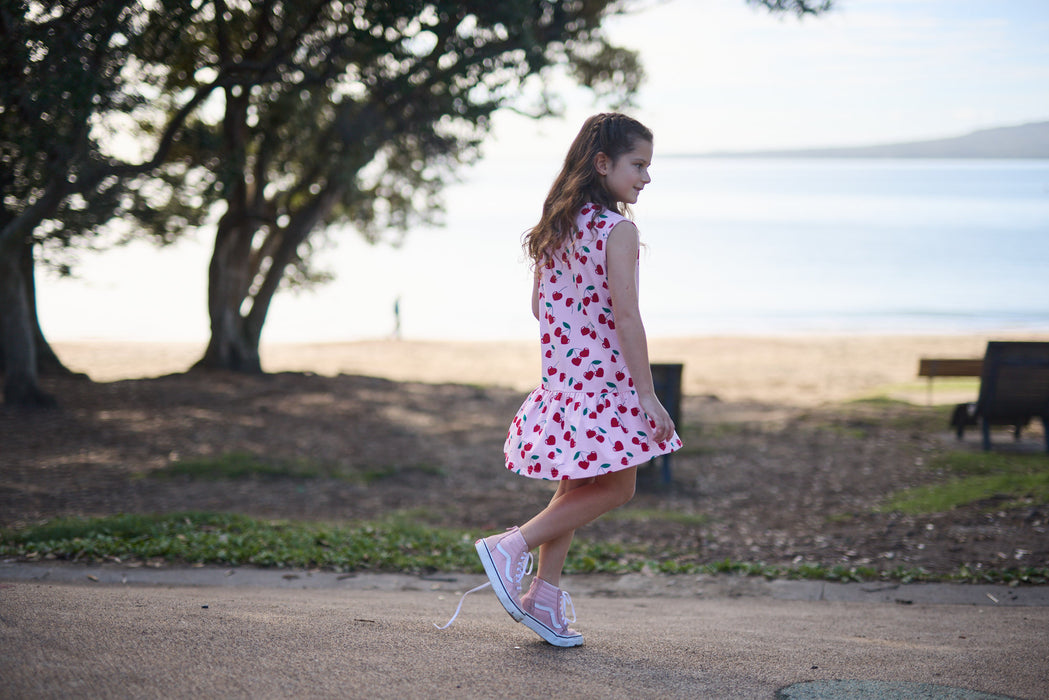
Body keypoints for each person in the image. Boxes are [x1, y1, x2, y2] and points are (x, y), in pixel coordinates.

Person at [437, 113, 682, 647]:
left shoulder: (558, 225)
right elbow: (627, 317)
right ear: (603, 164)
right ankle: (511, 546)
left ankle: (543, 600)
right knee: (619, 485)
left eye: (648, 167)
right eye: (638, 165)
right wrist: (646, 394)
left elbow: (537, 306)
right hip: (604, 383)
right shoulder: (619, 231)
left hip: (564, 380)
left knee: (576, 486)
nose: (645, 177)